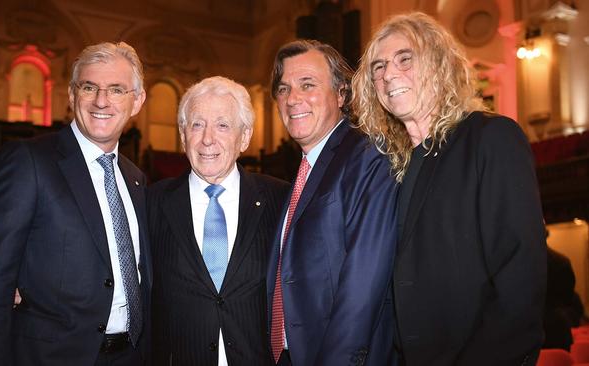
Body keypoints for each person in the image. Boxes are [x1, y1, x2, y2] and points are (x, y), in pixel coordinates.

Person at [352, 12, 546, 365]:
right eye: (378, 67)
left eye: (404, 59)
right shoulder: (395, 165)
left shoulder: (491, 137)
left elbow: (520, 280)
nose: (388, 74)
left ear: (439, 63)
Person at [0, 41, 151, 366]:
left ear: (136, 101)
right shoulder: (29, 162)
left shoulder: (137, 180)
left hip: (132, 356)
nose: (101, 101)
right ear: (71, 95)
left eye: (117, 90)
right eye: (89, 87)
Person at [267, 40, 398, 366]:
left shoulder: (368, 157)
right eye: (283, 89)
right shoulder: (303, 171)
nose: (292, 98)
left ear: (342, 94)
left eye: (307, 85)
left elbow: (363, 288)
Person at [148, 76, 289, 365]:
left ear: (245, 137)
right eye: (197, 124)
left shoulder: (280, 199)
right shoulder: (152, 202)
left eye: (222, 125)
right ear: (182, 133)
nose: (207, 139)